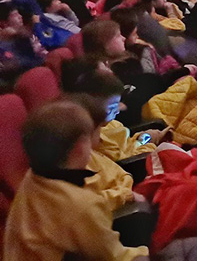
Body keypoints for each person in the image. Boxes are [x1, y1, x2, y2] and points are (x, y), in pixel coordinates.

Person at [3, 99, 150, 260]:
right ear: (80, 148)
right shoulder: (82, 206)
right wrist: (149, 252)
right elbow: (116, 257)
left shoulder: (31, 178)